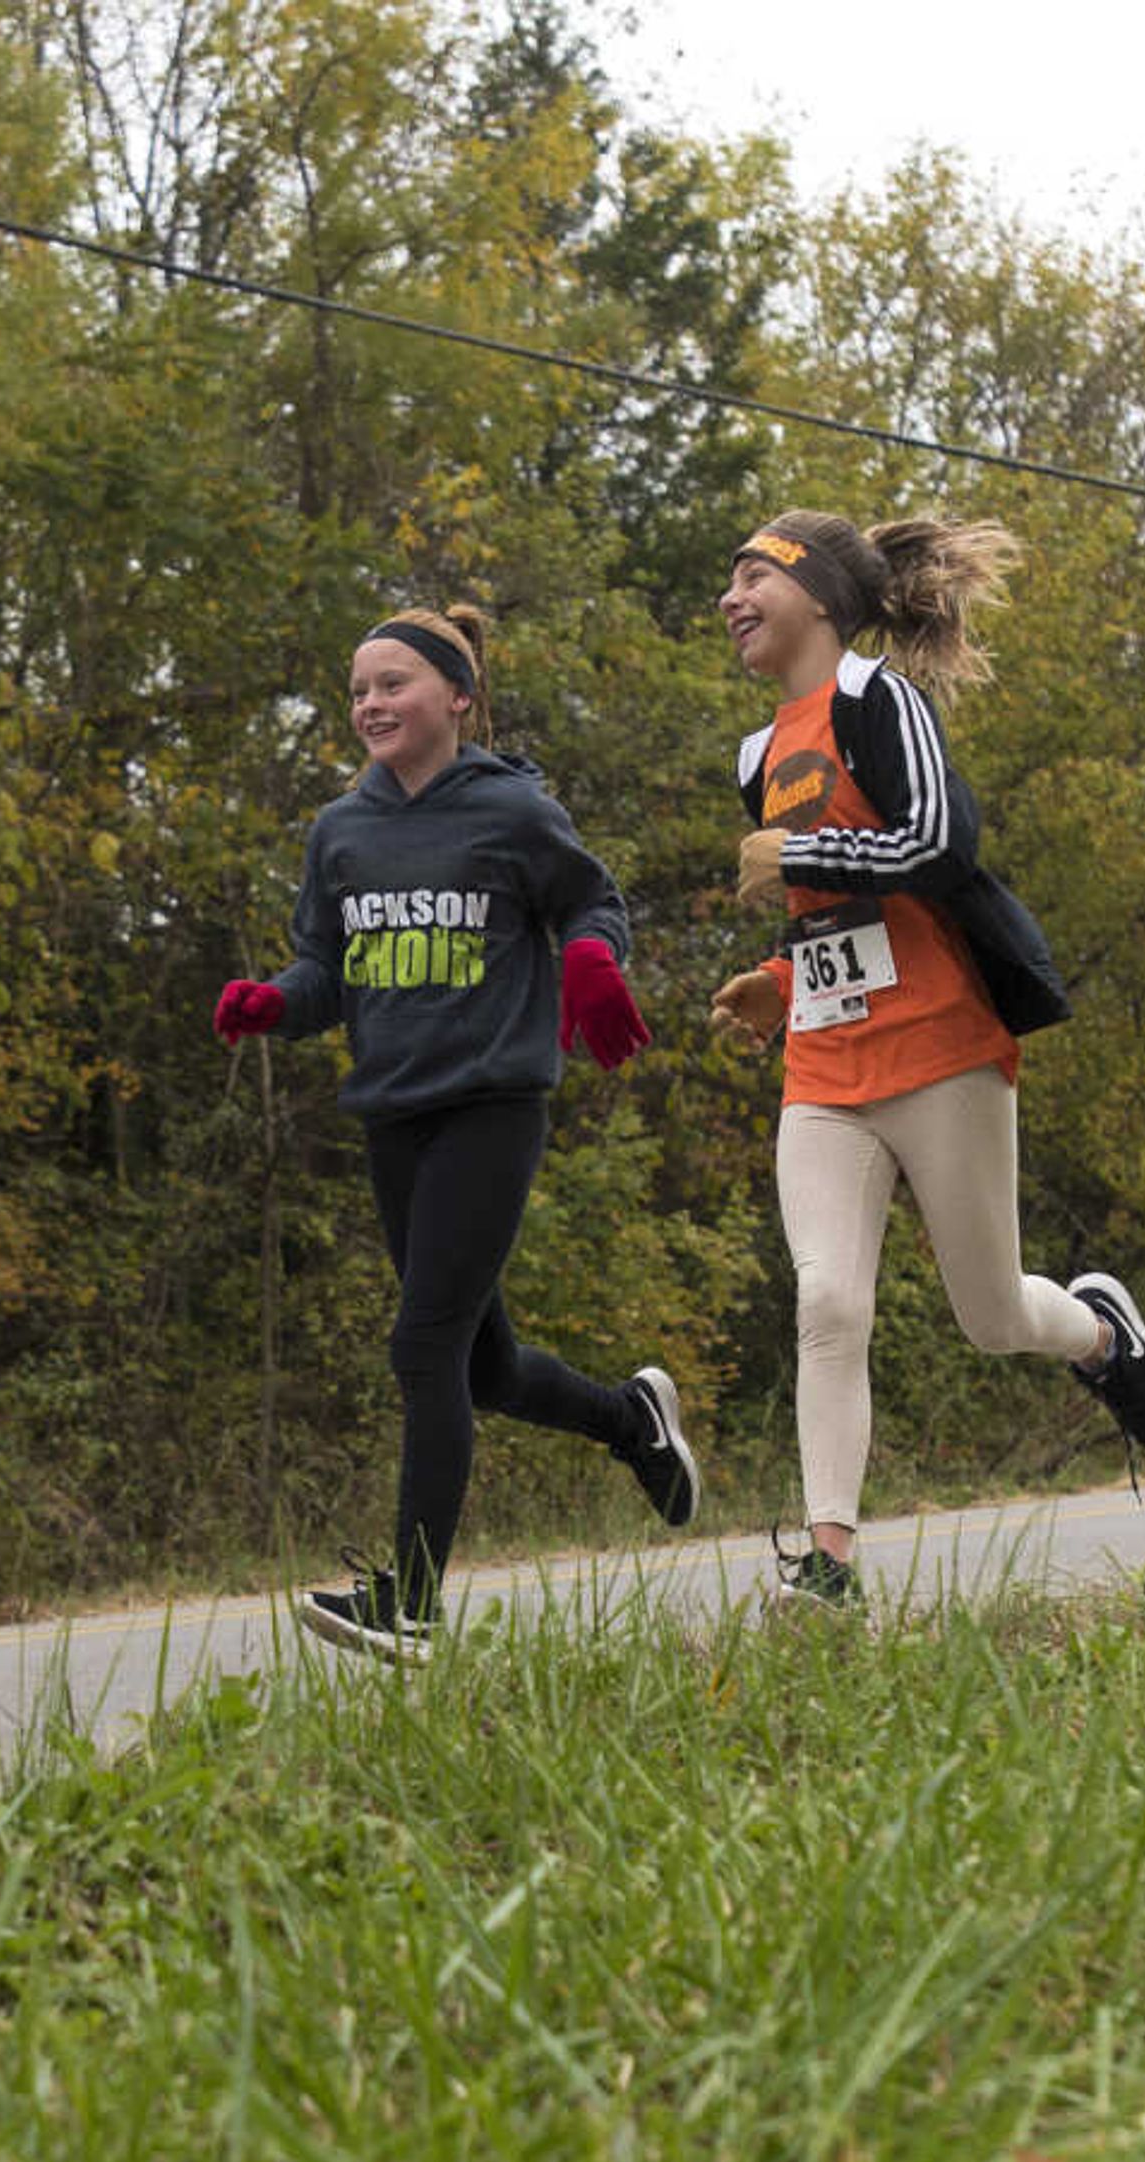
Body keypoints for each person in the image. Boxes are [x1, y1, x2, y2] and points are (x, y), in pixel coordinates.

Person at [706, 511, 1145, 1612]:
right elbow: (835, 914)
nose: (729, 600)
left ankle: (1100, 1332)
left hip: (940, 1052)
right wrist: (780, 986)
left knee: (991, 1317)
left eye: (750, 577)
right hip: (827, 1070)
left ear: (818, 597)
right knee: (828, 1303)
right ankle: (828, 1568)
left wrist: (800, 853)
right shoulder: (756, 756)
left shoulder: (882, 702)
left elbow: (936, 843)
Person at [215, 602, 702, 1661]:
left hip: (491, 1103)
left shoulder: (513, 814)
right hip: (393, 1112)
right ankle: (632, 1421)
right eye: (357, 691)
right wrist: (274, 1002)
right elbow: (326, 974)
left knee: (421, 1343)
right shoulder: (341, 831)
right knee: (482, 1367)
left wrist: (590, 960)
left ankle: (412, 1605)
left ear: (458, 696)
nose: (371, 704)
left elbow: (591, 903)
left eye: (393, 684)